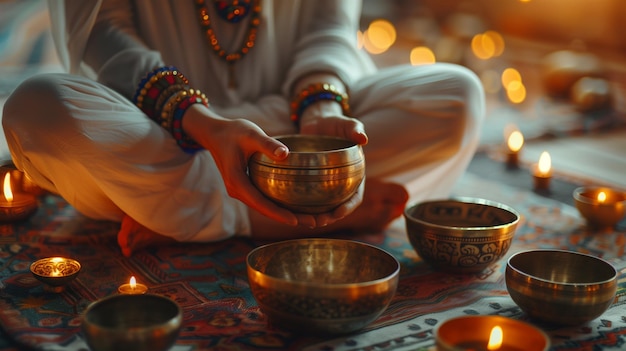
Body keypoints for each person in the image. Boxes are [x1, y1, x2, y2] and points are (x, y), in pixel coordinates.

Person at [2, 0, 485, 257]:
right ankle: (258, 218)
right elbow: (104, 35)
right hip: (163, 126)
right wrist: (203, 123)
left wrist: (319, 109)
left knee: (458, 95)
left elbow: (329, 24)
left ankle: (180, 213)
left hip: (287, 117)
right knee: (37, 107)